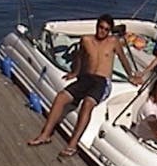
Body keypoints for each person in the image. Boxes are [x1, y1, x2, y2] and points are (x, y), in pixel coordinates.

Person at [28, 14, 142, 157]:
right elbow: (80, 57)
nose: (103, 31)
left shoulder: (113, 42)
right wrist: (75, 72)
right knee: (61, 97)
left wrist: (130, 76)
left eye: (106, 29)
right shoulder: (86, 40)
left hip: (102, 81)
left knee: (87, 104)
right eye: (101, 27)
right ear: (97, 26)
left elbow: (123, 59)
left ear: (110, 31)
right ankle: (45, 134)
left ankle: (72, 144)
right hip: (85, 78)